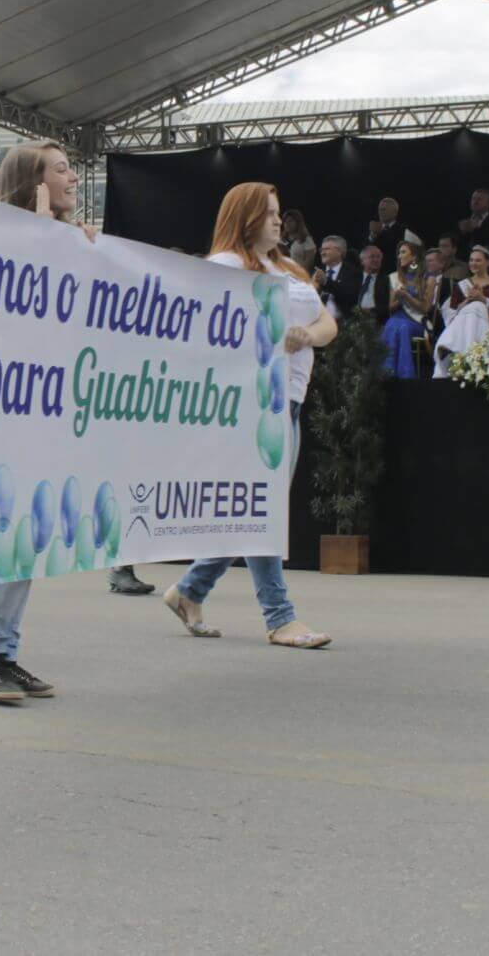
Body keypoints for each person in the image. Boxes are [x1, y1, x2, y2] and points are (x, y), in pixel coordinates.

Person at [163, 182, 335, 649]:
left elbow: (328, 323)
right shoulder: (226, 265)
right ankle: (280, 617)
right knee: (264, 506)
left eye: (280, 213)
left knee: (255, 507)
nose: (280, 221)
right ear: (246, 217)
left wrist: (307, 335)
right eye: (271, 213)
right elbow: (209, 328)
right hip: (252, 402)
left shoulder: (290, 267)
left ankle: (191, 590)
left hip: (290, 399)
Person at [0, 141, 86, 702]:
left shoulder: (65, 238)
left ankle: (4, 651)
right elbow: (11, 309)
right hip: (8, 406)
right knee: (13, 529)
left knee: (29, 534)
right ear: (32, 182)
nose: (74, 179)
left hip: (51, 408)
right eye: (61, 170)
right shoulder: (4, 238)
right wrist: (41, 236)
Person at [433, 245, 489, 378]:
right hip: (463, 326)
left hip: (488, 325)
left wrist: (483, 299)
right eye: (471, 260)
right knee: (473, 306)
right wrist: (467, 301)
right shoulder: (462, 285)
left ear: (488, 262)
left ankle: (463, 353)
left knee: (477, 306)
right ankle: (467, 355)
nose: (473, 263)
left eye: (478, 260)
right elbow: (451, 315)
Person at [381, 241, 433, 378]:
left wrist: (406, 296)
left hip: (417, 321)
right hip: (398, 317)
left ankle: (405, 376)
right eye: (399, 253)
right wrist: (399, 299)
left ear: (414, 256)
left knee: (402, 327)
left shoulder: (428, 278)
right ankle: (387, 375)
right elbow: (390, 307)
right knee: (391, 324)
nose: (399, 256)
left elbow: (425, 308)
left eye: (403, 252)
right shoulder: (395, 277)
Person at [367, 197, 414, 263]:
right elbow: (363, 250)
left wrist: (378, 234)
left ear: (395, 212)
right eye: (380, 209)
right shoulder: (371, 227)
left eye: (384, 209)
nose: (380, 212)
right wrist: (372, 236)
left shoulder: (404, 230)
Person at [353, 243, 390, 325]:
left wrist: (371, 311)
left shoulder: (387, 280)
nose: (376, 260)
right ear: (362, 261)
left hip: (376, 320)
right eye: (372, 257)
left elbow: (389, 305)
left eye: (378, 257)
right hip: (354, 319)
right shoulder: (353, 278)